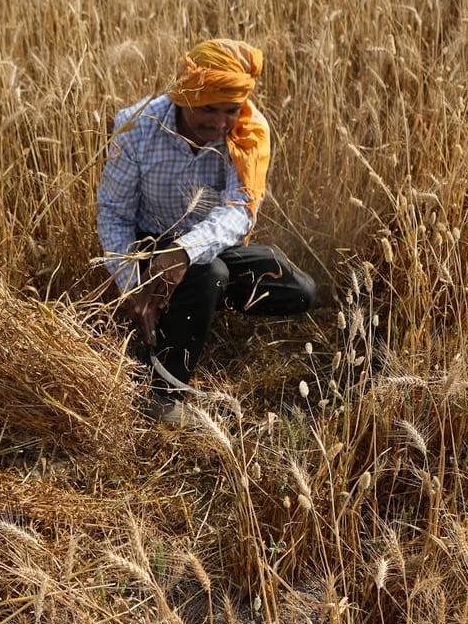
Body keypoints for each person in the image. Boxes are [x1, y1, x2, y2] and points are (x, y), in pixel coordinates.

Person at [97, 39, 315, 425]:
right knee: (210, 274)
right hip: (149, 248)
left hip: (206, 245)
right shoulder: (136, 127)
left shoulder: (247, 132)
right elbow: (114, 215)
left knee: (297, 289)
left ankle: (190, 306)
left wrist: (183, 252)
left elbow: (239, 214)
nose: (219, 122)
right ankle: (162, 394)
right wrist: (132, 284)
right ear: (183, 98)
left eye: (230, 110)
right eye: (208, 109)